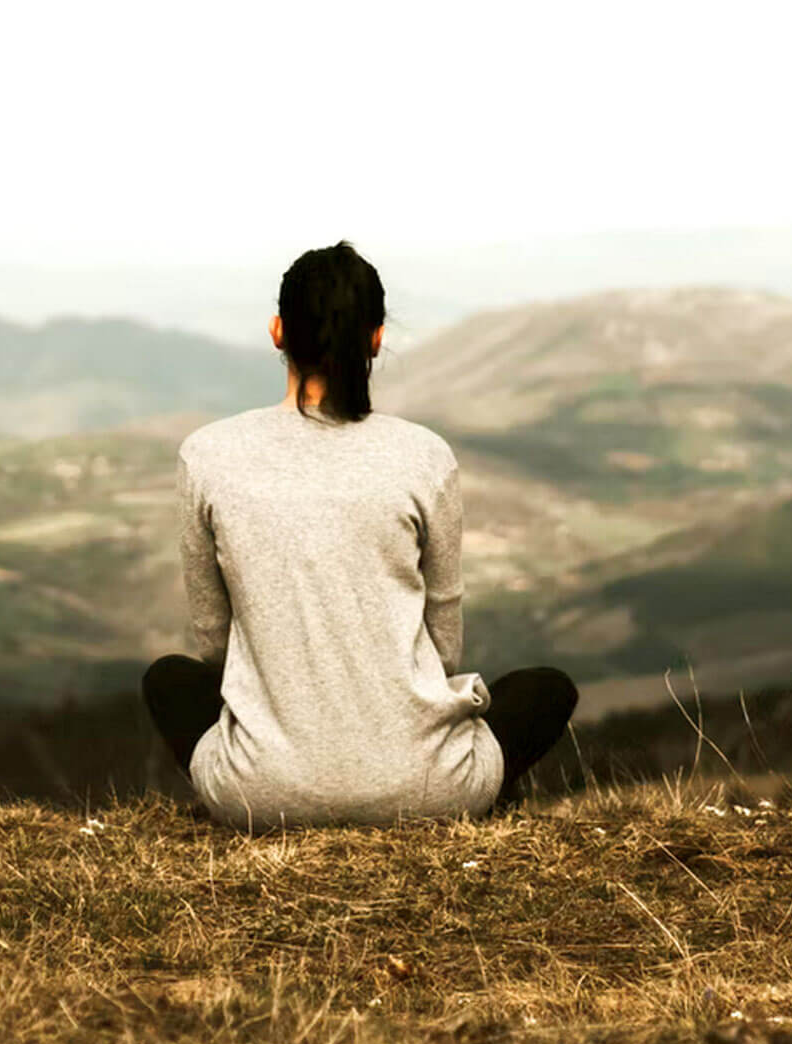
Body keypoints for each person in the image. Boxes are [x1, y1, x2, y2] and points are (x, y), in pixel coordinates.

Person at [141, 241, 577, 832]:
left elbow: (213, 641)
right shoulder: (425, 455)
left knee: (169, 679)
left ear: (277, 331)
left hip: (260, 796)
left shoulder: (207, 454)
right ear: (376, 339)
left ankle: (281, 773)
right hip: (430, 789)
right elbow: (443, 643)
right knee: (546, 689)